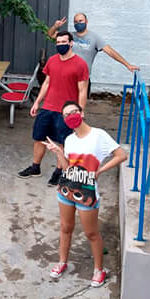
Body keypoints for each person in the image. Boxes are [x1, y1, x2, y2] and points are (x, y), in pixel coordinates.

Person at [43, 100, 127, 288]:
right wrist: (59, 152)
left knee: (91, 233)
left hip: (87, 191)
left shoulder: (99, 136)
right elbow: (67, 168)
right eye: (66, 115)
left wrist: (100, 171)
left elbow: (121, 155)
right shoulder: (70, 139)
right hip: (66, 189)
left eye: (73, 112)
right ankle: (62, 262)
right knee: (65, 227)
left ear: (82, 113)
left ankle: (99, 270)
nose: (70, 116)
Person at [18, 31, 89, 186]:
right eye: (58, 42)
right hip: (48, 107)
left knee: (62, 142)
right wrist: (37, 102)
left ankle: (59, 172)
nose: (60, 45)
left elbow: (83, 90)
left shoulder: (80, 64)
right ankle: (35, 168)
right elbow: (47, 83)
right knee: (39, 138)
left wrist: (80, 110)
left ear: (71, 43)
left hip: (66, 112)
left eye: (64, 42)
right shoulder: (52, 61)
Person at [48, 13, 138, 94]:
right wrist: (55, 26)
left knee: (77, 108)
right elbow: (51, 35)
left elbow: (110, 52)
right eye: (75, 22)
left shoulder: (95, 38)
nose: (78, 23)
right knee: (62, 106)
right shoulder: (69, 36)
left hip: (82, 79)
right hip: (65, 77)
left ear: (86, 21)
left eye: (80, 21)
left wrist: (127, 65)